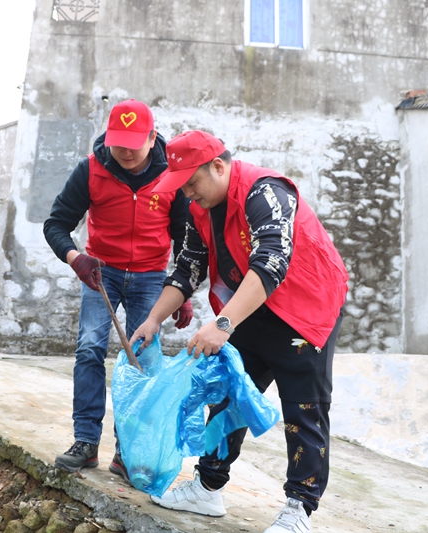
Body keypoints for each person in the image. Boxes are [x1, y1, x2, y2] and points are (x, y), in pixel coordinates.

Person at [130, 130, 348, 533]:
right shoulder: (200, 207)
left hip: (305, 310)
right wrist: (154, 319)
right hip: (252, 306)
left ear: (218, 166)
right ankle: (207, 488)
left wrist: (223, 324)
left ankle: (299, 509)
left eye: (191, 183)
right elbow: (188, 266)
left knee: (303, 409)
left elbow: (271, 263)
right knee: (227, 393)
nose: (187, 194)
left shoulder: (266, 192)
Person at [43, 99, 192, 477]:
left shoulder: (171, 175)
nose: (125, 151)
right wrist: (75, 258)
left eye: (134, 144)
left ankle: (128, 451)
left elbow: (185, 237)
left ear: (153, 138)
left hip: (151, 276)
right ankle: (85, 441)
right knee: (89, 348)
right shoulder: (90, 170)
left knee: (142, 359)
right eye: (118, 143)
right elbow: (56, 224)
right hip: (100, 273)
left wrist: (182, 290)